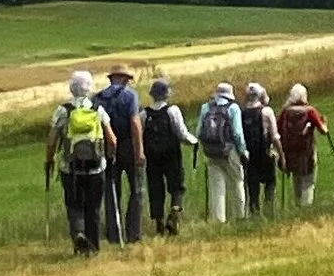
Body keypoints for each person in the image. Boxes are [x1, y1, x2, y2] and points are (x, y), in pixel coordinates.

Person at [44, 70, 118, 256]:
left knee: (74, 205)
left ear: (72, 87)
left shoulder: (64, 111)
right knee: (93, 207)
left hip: (70, 168)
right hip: (96, 167)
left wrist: (49, 160)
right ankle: (92, 247)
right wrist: (109, 157)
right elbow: (112, 140)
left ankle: (78, 233)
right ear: (89, 87)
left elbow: (52, 140)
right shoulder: (97, 110)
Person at [141, 77, 198, 236]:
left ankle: (158, 222)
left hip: (152, 157)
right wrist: (193, 141)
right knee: (176, 186)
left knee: (155, 188)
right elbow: (181, 133)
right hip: (171, 154)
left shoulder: (144, 114)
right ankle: (174, 214)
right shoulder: (172, 111)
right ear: (166, 93)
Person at [95, 63, 145, 244]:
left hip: (107, 147)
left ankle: (113, 233)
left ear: (111, 79)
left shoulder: (98, 98)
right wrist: (139, 151)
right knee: (136, 190)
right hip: (127, 145)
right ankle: (133, 233)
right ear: (124, 79)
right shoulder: (130, 95)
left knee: (111, 190)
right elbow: (135, 124)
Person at [195, 82, 249, 224]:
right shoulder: (233, 108)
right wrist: (243, 151)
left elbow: (199, 131)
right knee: (237, 181)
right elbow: (237, 133)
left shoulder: (206, 108)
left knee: (216, 186)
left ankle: (218, 219)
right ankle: (240, 215)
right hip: (230, 151)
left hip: (211, 152)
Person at [277, 84, 329, 207]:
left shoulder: (285, 112)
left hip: (290, 152)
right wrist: (325, 122)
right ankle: (306, 205)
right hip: (307, 151)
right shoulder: (310, 111)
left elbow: (278, 130)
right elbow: (323, 131)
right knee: (308, 179)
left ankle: (298, 204)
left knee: (297, 178)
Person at [242, 83, 282, 214]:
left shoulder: (242, 113)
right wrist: (281, 154)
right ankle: (269, 210)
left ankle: (254, 212)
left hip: (249, 155)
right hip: (265, 153)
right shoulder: (266, 111)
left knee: (252, 186)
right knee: (270, 183)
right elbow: (275, 136)